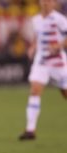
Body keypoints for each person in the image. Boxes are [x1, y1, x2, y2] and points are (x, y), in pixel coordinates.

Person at [19, 0, 67, 140]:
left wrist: (58, 46)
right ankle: (30, 130)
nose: (46, 3)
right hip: (41, 61)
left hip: (58, 61)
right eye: (43, 0)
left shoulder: (60, 19)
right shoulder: (36, 20)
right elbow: (37, 37)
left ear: (53, 3)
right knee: (34, 90)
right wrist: (33, 47)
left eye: (49, 1)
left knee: (65, 93)